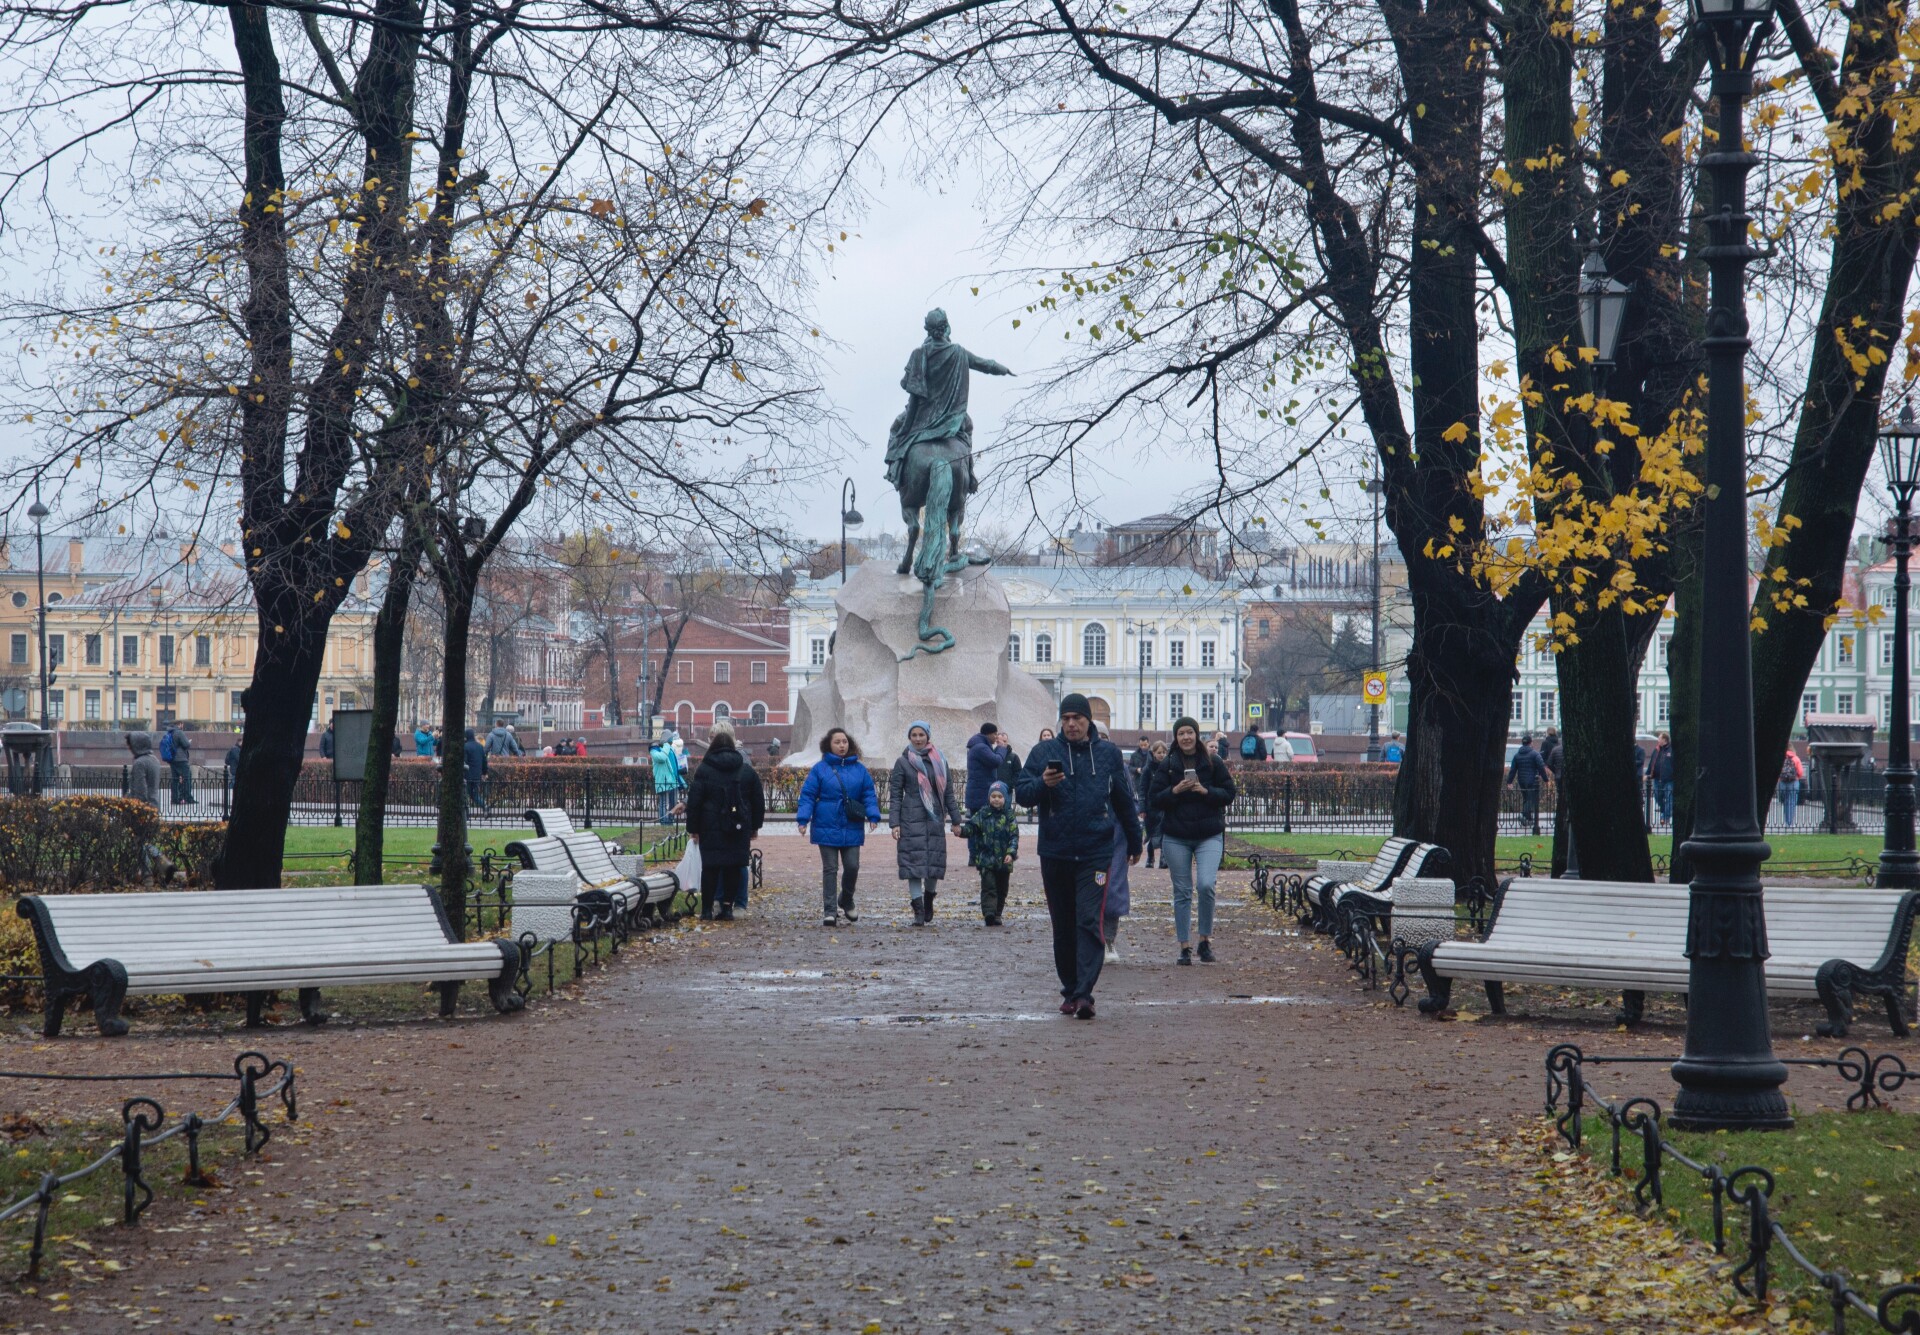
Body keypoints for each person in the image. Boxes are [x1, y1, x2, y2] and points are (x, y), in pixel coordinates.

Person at [1016, 694, 1142, 1021]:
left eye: (1078, 718)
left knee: (1088, 919)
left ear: (1088, 721)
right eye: (1066, 718)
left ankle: (1085, 994)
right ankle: (1070, 989)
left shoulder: (1108, 754)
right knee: (1064, 924)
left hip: (1094, 853)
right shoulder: (1044, 752)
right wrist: (1043, 784)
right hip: (1055, 851)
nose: (1072, 724)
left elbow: (1124, 800)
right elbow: (1023, 794)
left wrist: (1134, 840)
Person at [1150, 716, 1237, 966]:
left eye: (1190, 732)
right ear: (1176, 738)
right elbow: (1154, 798)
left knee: (1206, 885)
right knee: (1182, 891)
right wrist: (1175, 791)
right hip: (1176, 836)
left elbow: (1229, 793)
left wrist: (1206, 792)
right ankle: (1184, 946)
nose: (1186, 737)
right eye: (1181, 734)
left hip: (1208, 834)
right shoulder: (1167, 765)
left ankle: (1205, 941)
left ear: (1196, 735)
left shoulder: (1213, 762)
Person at [797, 727, 881, 927]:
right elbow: (808, 794)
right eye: (837, 742)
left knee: (852, 866)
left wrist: (873, 815)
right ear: (829, 745)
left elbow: (868, 793)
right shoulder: (820, 769)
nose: (842, 745)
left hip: (851, 823)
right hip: (826, 823)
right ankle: (830, 911)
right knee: (830, 869)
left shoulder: (859, 769)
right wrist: (803, 819)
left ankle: (846, 899)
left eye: (844, 741)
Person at [684, 720, 765, 921]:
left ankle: (706, 910)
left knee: (710, 868)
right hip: (737, 826)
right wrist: (755, 826)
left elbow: (695, 801)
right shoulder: (746, 769)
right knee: (733, 867)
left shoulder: (705, 769)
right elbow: (757, 800)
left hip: (710, 826)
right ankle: (728, 909)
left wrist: (693, 828)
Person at [890, 721, 964, 924]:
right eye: (913, 735)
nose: (917, 738)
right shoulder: (903, 762)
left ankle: (929, 899)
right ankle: (918, 910)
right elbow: (895, 795)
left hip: (934, 818)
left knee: (933, 862)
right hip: (910, 818)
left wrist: (956, 820)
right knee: (913, 864)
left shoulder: (940, 760)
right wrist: (894, 823)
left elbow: (948, 792)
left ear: (928, 736)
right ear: (909, 738)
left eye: (921, 734)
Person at [962, 780, 1020, 925]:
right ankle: (989, 912)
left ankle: (998, 913)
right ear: (989, 798)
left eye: (999, 796)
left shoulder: (1009, 816)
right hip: (986, 859)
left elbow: (1014, 836)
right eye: (993, 796)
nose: (996, 799)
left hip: (1003, 861)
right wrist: (961, 831)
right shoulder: (983, 814)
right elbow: (972, 827)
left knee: (1002, 888)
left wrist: (1011, 853)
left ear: (1005, 799)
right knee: (988, 886)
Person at [965, 721, 1008, 815]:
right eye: (995, 734)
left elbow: (991, 758)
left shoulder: (979, 745)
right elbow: (996, 761)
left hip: (979, 793)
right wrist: (1002, 748)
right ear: (988, 734)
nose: (997, 737)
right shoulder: (981, 747)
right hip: (980, 795)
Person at [1506, 733, 1547, 834]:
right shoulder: (1535, 754)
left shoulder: (1517, 755)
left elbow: (1513, 769)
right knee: (1531, 800)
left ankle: (1528, 820)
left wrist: (1509, 782)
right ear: (1531, 743)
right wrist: (1546, 779)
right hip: (1532, 780)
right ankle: (1523, 815)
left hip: (1521, 780)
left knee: (1526, 799)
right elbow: (1541, 766)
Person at [1140, 740, 1169, 867]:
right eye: (1159, 752)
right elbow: (1142, 788)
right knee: (1152, 833)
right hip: (1151, 806)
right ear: (1153, 753)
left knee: (1164, 832)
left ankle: (1163, 859)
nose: (1161, 755)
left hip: (1165, 804)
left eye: (1163, 752)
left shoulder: (1169, 767)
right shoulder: (1148, 769)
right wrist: (1142, 808)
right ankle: (1150, 857)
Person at [650, 735, 683, 824]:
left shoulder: (668, 750)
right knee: (663, 802)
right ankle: (663, 821)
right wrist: (667, 746)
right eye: (669, 741)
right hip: (662, 780)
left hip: (670, 780)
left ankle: (670, 819)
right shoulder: (655, 751)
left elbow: (672, 766)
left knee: (673, 802)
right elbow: (662, 758)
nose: (671, 743)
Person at [126, 731, 163, 809]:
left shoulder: (140, 763)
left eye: (131, 745)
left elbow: (140, 790)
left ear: (137, 745)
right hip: (154, 804)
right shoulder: (154, 760)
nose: (129, 748)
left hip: (143, 808)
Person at [162, 723, 195, 804]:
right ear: (179, 724)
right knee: (187, 778)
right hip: (181, 759)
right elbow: (186, 744)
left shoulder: (169, 733)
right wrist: (189, 742)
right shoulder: (179, 732)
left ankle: (175, 799)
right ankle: (187, 798)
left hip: (172, 759)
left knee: (175, 779)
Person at [1648, 732, 1676, 824]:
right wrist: (1648, 773)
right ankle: (1664, 812)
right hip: (1657, 778)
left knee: (1669, 798)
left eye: (1659, 738)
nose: (1658, 740)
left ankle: (1665, 818)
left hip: (1668, 779)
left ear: (1664, 740)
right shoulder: (1656, 750)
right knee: (1657, 797)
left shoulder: (1671, 750)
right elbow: (1652, 762)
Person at [462, 728, 488, 809]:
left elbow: (464, 762)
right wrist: (484, 773)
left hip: (467, 775)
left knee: (464, 795)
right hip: (477, 774)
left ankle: (466, 813)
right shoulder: (480, 746)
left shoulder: (465, 746)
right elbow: (484, 761)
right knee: (474, 794)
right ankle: (484, 806)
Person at [1779, 747, 1805, 827]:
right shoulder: (1796, 758)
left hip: (1783, 782)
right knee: (1792, 802)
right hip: (1793, 782)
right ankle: (1790, 822)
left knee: (1786, 802)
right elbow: (1800, 772)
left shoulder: (1781, 758)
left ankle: (1786, 820)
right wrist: (1797, 777)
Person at [1127, 734, 1153, 803]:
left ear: (1149, 743)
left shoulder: (1152, 754)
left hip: (1150, 781)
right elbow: (1129, 767)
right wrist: (1136, 770)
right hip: (1138, 782)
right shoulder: (1134, 755)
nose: (1143, 747)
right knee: (1140, 800)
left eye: (1145, 745)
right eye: (1141, 745)